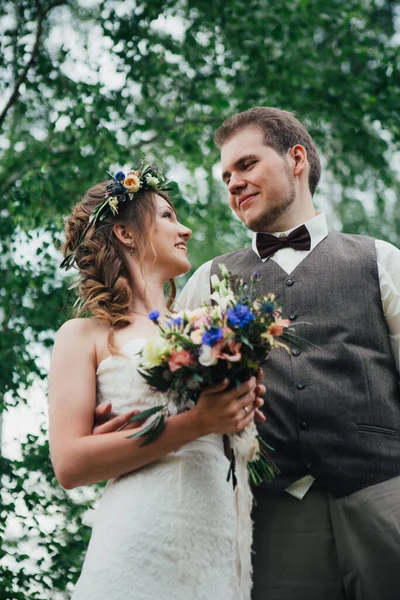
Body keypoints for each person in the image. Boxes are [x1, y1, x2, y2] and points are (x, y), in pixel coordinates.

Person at [178, 107, 400, 600]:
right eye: (226, 175)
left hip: (386, 495)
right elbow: (179, 401)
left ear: (296, 158)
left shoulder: (381, 260)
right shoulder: (206, 282)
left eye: (247, 165)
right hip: (271, 515)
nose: (234, 183)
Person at [48, 161, 265, 600]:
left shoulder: (207, 327)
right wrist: (195, 423)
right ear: (125, 233)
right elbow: (70, 464)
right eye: (167, 216)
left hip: (220, 543)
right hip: (140, 540)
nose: (184, 230)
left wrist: (243, 402)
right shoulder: (86, 336)